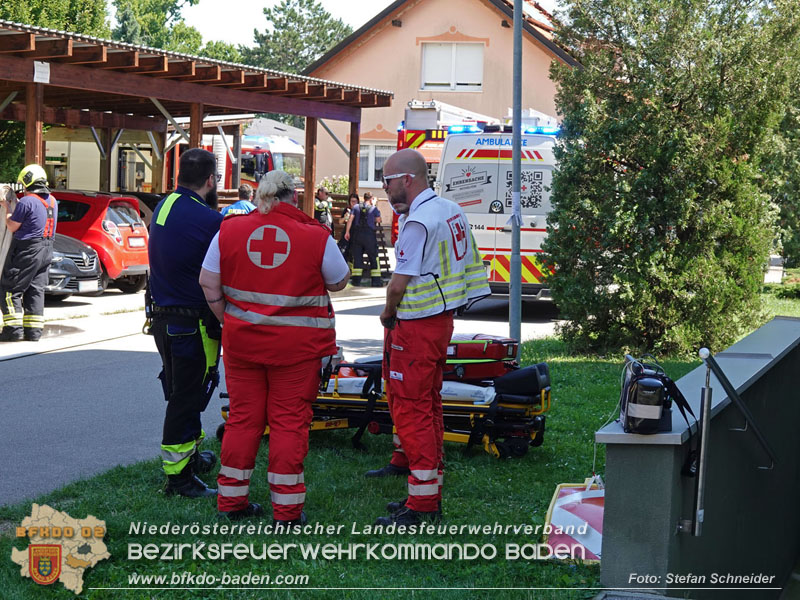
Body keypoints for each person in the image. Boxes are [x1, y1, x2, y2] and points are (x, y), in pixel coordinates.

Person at [199, 170, 349, 523]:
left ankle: (231, 503)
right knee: (289, 424)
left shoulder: (229, 229)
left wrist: (229, 319)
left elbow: (207, 281)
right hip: (297, 351)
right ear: (293, 197)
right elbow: (340, 281)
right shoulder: (315, 235)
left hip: (242, 346)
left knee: (242, 421)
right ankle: (287, 512)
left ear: (259, 196)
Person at [372, 149, 490, 526]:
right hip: (441, 322)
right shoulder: (450, 210)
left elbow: (398, 285)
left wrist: (388, 313)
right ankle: (430, 485)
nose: (384, 188)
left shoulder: (418, 222)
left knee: (412, 409)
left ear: (407, 179)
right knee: (428, 404)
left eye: (387, 181)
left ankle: (422, 504)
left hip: (416, 325)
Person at [148, 148, 223, 499]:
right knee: (188, 397)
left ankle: (190, 456)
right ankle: (178, 479)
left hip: (163, 319)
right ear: (211, 180)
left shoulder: (164, 204)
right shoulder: (210, 220)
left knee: (183, 391)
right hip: (192, 323)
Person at [0, 165, 57, 342]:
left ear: (28, 183)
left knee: (10, 289)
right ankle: (34, 332)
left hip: (27, 249)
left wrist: (7, 207)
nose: (23, 189)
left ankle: (13, 330)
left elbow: (12, 226)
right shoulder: (53, 201)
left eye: (23, 185)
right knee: (35, 290)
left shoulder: (27, 202)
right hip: (46, 249)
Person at [345, 191, 383, 287]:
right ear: (371, 199)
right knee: (373, 257)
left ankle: (356, 281)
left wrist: (347, 232)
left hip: (357, 235)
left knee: (357, 258)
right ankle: (376, 282)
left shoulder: (356, 207)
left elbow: (350, 219)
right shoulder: (374, 208)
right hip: (369, 236)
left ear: (364, 198)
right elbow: (379, 220)